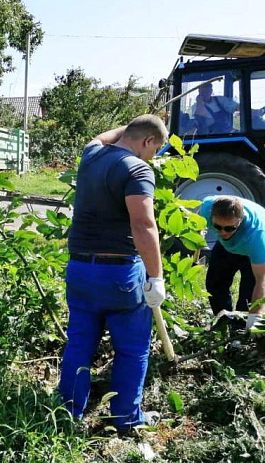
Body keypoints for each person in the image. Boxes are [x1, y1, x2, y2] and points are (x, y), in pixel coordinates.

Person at [59, 114, 168, 433]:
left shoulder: (91, 155)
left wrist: (135, 126)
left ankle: (68, 413)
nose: (154, 156)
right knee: (132, 350)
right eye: (156, 148)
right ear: (147, 140)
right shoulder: (137, 169)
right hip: (119, 273)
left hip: (80, 269)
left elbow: (102, 137)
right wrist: (156, 277)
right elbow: (144, 225)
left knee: (79, 344)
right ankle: (125, 417)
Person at [199, 195, 265, 329]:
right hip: (228, 245)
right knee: (214, 284)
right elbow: (197, 219)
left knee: (247, 298)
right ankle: (223, 323)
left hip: (250, 247)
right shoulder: (207, 207)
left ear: (240, 220)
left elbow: (262, 279)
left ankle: (240, 331)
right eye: (217, 226)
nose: (222, 232)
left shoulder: (257, 235)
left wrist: (255, 319)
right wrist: (198, 231)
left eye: (229, 228)